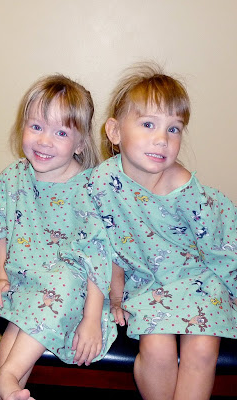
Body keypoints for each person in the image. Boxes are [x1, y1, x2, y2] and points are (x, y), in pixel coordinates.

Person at [89, 62, 237, 400]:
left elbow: (219, 247)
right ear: (114, 132)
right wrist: (115, 297)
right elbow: (107, 244)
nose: (162, 139)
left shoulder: (182, 185)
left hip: (199, 277)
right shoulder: (102, 183)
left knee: (202, 349)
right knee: (157, 350)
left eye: (174, 129)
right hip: (147, 282)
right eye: (148, 124)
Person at [0, 74, 117, 400]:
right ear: (23, 127)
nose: (45, 141)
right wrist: (0, 277)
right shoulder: (11, 179)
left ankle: (5, 381)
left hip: (70, 285)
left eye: (61, 132)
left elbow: (98, 256)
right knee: (19, 321)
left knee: (52, 292)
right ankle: (5, 389)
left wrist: (91, 319)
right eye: (36, 127)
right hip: (23, 276)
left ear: (80, 144)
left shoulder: (91, 188)